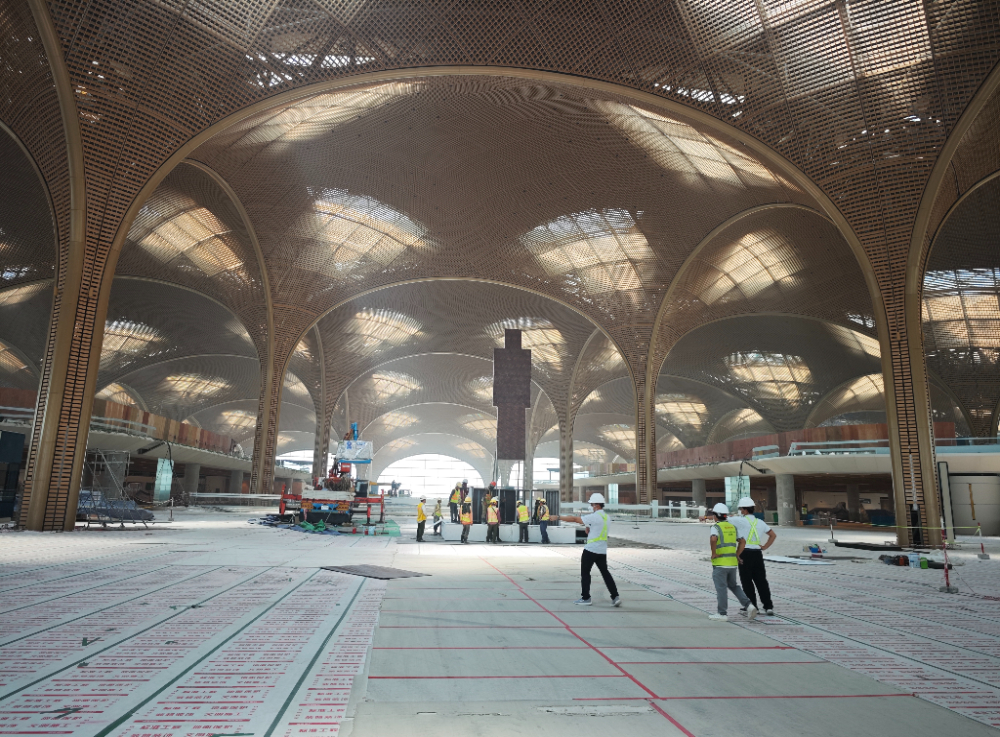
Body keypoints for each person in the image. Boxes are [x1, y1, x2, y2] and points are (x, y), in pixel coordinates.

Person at [551, 493, 620, 607]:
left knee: (585, 573)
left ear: (596, 505)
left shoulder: (594, 517)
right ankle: (615, 596)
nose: (591, 506)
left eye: (592, 504)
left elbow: (574, 519)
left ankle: (586, 598)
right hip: (602, 550)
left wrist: (558, 517)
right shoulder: (607, 517)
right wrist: (589, 527)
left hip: (591, 549)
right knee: (605, 573)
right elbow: (598, 528)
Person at [707, 503, 757, 621]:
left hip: (720, 563)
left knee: (721, 588)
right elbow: (742, 541)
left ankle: (722, 613)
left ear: (716, 516)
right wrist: (737, 554)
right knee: (733, 586)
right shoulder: (732, 527)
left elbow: (713, 539)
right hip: (732, 564)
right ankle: (749, 605)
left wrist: (714, 553)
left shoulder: (716, 527)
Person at [733, 497, 776, 615]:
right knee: (761, 581)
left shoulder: (740, 521)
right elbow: (773, 535)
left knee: (747, 581)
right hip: (757, 553)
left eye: (741, 509)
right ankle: (768, 606)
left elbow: (723, 519)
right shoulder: (760, 522)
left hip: (744, 553)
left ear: (745, 510)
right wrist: (764, 547)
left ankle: (752, 606)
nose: (741, 511)